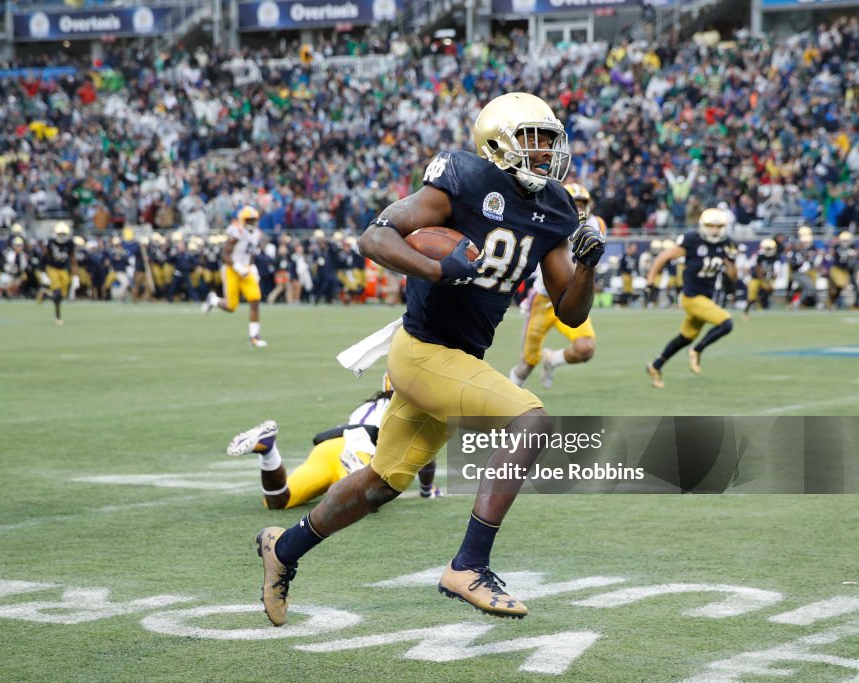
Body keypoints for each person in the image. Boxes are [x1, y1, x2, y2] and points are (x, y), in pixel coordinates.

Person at [254, 92, 604, 625]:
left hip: (458, 355)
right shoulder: (463, 177)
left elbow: (572, 314)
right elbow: (375, 236)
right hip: (423, 350)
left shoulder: (553, 205)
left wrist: (586, 267)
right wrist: (438, 270)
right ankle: (469, 565)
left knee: (380, 483)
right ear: (497, 142)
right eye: (533, 138)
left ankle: (283, 549)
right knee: (531, 420)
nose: (545, 151)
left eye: (550, 139)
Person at [226, 374, 441, 510]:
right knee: (371, 500)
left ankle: (268, 450)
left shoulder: (365, 407)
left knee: (277, 500)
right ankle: (356, 472)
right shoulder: (413, 412)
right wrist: (426, 490)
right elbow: (426, 457)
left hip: (329, 447)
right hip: (361, 447)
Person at [509, 182, 604, 390]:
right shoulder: (550, 221)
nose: (578, 209)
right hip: (543, 299)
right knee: (527, 364)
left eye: (582, 204)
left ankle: (552, 360)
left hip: (572, 298)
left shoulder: (596, 225)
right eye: (574, 203)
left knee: (585, 348)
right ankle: (506, 405)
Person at [645, 208, 737, 389]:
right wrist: (650, 281)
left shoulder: (727, 243)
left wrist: (730, 262)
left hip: (706, 298)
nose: (715, 230)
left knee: (685, 337)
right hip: (692, 297)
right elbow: (664, 256)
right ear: (703, 226)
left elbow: (733, 275)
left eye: (719, 226)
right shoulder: (693, 240)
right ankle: (697, 349)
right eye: (711, 226)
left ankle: (655, 366)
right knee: (726, 323)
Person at [202, 206, 267, 347]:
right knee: (231, 307)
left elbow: (250, 253)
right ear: (242, 220)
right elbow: (225, 254)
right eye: (249, 220)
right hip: (232, 269)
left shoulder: (256, 233)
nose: (252, 223)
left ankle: (254, 337)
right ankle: (213, 300)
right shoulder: (236, 232)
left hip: (247, 269)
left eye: (254, 220)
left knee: (255, 300)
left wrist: (252, 267)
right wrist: (238, 267)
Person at [44, 222, 76, 325]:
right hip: (53, 268)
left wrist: (75, 274)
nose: (62, 237)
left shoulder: (70, 243)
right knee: (57, 293)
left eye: (63, 234)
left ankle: (46, 294)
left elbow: (72, 257)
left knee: (62, 295)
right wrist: (42, 272)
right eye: (60, 234)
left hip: (64, 270)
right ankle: (58, 317)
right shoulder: (51, 243)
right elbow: (45, 257)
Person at [743, 238, 778, 318]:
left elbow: (776, 271)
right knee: (751, 295)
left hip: (766, 278)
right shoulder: (757, 255)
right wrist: (748, 276)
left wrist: (772, 278)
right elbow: (750, 267)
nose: (769, 250)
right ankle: (746, 311)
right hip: (755, 278)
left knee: (770, 288)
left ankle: (762, 305)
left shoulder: (775, 257)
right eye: (767, 248)